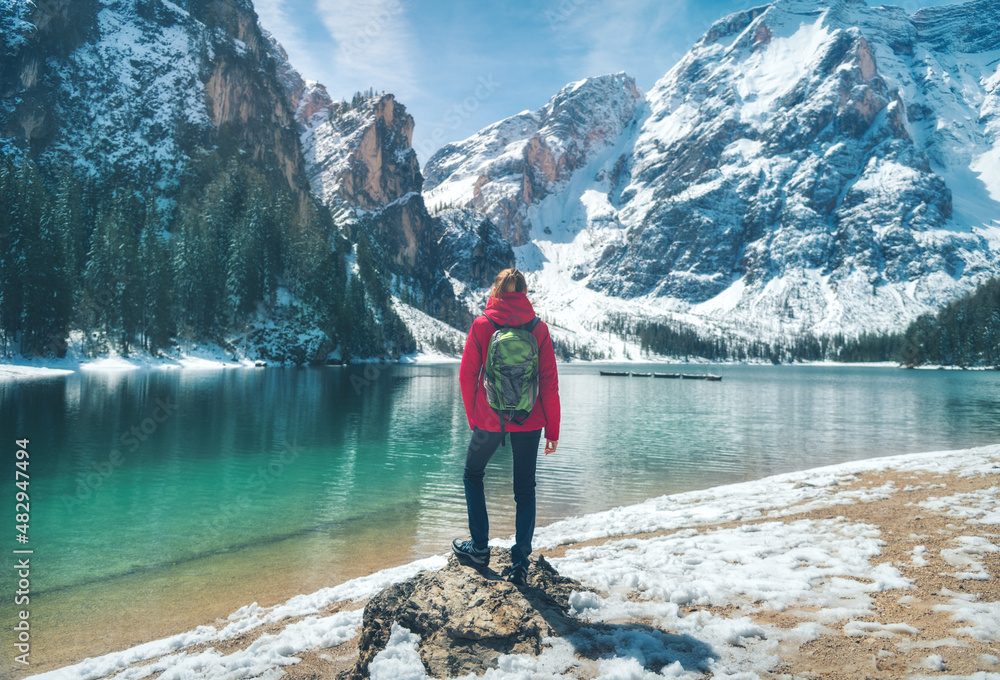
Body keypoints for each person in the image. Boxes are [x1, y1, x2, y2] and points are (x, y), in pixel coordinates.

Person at [452, 268, 560, 586]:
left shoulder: (483, 324)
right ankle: (520, 561)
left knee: (473, 475)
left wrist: (475, 417)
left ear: (495, 292)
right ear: (524, 293)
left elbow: (468, 376)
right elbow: (549, 384)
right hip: (531, 420)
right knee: (524, 490)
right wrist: (552, 431)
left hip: (489, 419)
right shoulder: (539, 329)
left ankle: (480, 549)